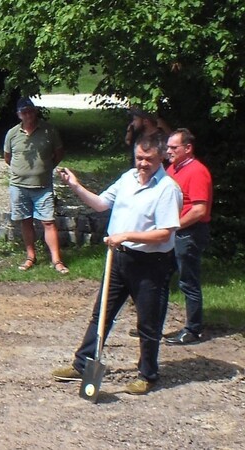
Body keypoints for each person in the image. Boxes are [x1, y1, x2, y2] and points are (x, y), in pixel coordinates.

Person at [51, 134, 182, 395]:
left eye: (149, 159)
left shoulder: (168, 189)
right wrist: (76, 186)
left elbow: (165, 233)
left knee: (148, 320)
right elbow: (101, 204)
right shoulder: (127, 179)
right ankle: (83, 363)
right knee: (101, 314)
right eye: (139, 158)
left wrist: (127, 235)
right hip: (118, 258)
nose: (142, 164)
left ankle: (147, 374)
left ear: (161, 158)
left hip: (150, 263)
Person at [4, 98, 68, 274]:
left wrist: (46, 168)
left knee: (48, 221)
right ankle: (30, 256)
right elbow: (8, 158)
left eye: (30, 111)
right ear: (19, 115)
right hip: (18, 185)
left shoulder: (49, 131)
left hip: (43, 186)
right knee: (25, 221)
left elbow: (59, 153)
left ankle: (57, 260)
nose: (28, 115)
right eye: (24, 112)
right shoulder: (12, 133)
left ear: (35, 111)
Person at [161, 129, 212, 345]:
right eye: (168, 147)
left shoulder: (198, 172)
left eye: (174, 147)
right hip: (175, 232)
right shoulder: (173, 168)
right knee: (160, 278)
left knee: (188, 281)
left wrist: (174, 227)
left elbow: (199, 210)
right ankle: (152, 323)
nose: (168, 151)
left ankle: (193, 329)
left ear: (188, 148)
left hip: (189, 233)